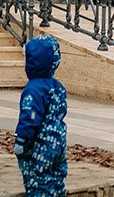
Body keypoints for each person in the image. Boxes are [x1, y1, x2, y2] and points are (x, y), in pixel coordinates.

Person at [14, 36, 69, 197]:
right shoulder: (58, 87)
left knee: (38, 181)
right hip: (58, 140)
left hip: (39, 143)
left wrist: (21, 140)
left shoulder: (33, 89)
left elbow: (30, 117)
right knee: (56, 178)